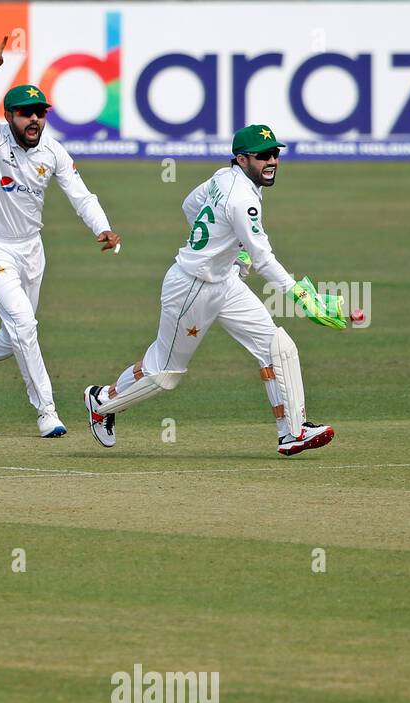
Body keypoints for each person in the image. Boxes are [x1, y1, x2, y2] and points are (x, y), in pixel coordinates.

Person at [84, 124, 348, 456]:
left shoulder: (224, 178)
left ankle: (293, 431)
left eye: (275, 154)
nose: (272, 161)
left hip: (223, 280)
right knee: (165, 374)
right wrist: (303, 297)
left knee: (276, 345)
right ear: (242, 158)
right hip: (192, 287)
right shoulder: (241, 198)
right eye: (263, 156)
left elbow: (189, 205)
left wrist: (226, 248)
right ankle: (102, 402)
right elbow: (263, 259)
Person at [0, 36, 121, 438]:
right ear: (10, 116)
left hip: (31, 250)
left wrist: (102, 226)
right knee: (24, 327)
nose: (34, 120)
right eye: (26, 114)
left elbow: (81, 194)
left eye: (40, 114)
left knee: (19, 333)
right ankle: (46, 411)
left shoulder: (52, 150)